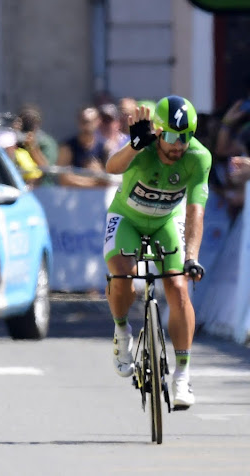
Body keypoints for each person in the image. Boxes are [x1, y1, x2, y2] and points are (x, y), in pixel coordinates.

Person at [103, 95, 211, 410]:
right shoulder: (144, 147)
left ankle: (182, 375)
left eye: (187, 136)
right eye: (174, 137)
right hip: (127, 219)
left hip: (167, 220)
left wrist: (191, 257)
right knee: (124, 276)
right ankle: (122, 333)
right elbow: (112, 168)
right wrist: (134, 145)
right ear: (159, 131)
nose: (180, 145)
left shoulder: (198, 157)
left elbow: (195, 212)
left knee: (178, 287)